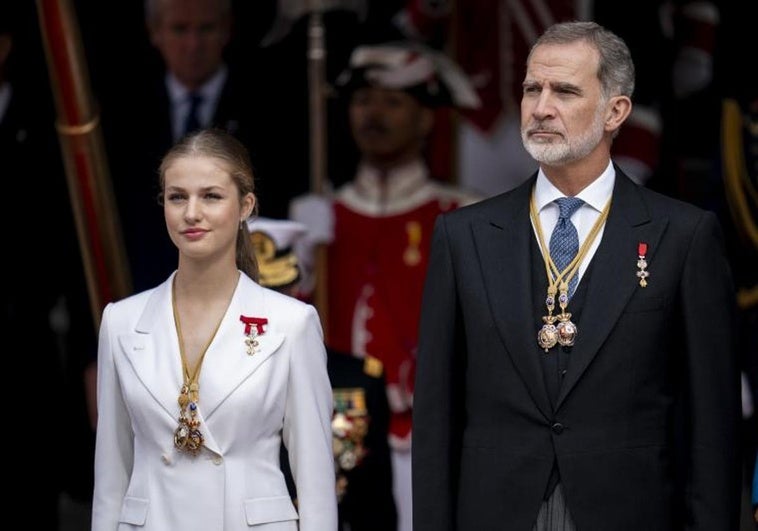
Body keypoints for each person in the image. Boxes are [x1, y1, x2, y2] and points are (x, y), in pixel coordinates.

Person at [412, 20, 741, 531]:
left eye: (564, 90)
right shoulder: (463, 234)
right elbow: (435, 417)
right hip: (494, 512)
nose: (541, 107)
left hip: (632, 513)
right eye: (531, 89)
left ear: (616, 111)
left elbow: (711, 426)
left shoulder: (684, 235)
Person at [91, 128, 337, 531]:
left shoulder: (292, 324)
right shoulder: (121, 321)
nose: (191, 213)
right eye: (177, 197)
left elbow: (315, 481)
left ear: (246, 206)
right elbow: (111, 472)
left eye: (211, 196)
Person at [290, 40, 482, 531]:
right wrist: (299, 266)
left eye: (393, 102)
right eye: (362, 100)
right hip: (342, 426)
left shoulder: (461, 215)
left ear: (424, 119)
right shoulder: (316, 219)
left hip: (432, 429)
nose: (373, 114)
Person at [98, 0, 303, 293]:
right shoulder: (123, 111)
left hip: (241, 289)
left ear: (226, 30)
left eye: (206, 29)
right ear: (155, 32)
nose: (193, 44)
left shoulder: (269, 107)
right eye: (180, 29)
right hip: (144, 288)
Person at [247, 217, 398, 531]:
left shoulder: (357, 378)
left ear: (298, 289)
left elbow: (375, 502)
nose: (266, 307)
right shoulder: (213, 375)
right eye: (253, 294)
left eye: (277, 291)